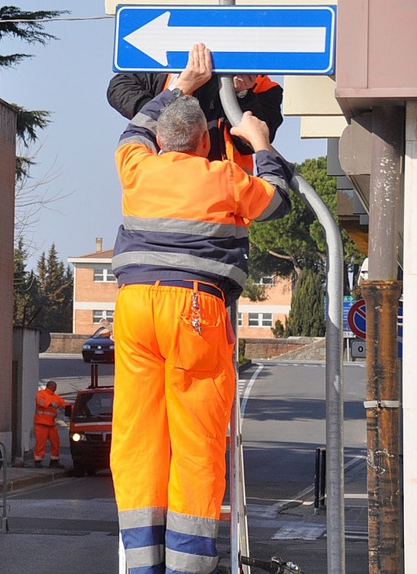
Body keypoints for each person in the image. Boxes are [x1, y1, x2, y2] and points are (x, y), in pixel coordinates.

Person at [109, 43, 294, 574]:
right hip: (195, 309)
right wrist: (260, 145)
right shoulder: (222, 178)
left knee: (138, 435)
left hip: (134, 306)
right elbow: (275, 198)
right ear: (203, 142)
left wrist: (180, 88)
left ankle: (143, 562)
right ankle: (189, 566)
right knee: (196, 438)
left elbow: (136, 126)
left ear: (161, 141)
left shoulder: (135, 167)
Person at [107, 54, 283, 169]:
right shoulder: (170, 66)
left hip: (224, 189)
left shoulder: (264, 87)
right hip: (165, 173)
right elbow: (119, 87)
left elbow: (256, 140)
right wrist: (161, 116)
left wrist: (243, 94)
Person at [32, 380, 66, 468]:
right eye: (54, 387)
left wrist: (72, 408)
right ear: (51, 386)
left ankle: (54, 460)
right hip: (41, 423)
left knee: (56, 442)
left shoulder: (55, 397)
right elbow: (40, 401)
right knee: (41, 443)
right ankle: (38, 461)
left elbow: (64, 404)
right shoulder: (41, 393)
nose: (55, 389)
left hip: (51, 424)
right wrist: (50, 404)